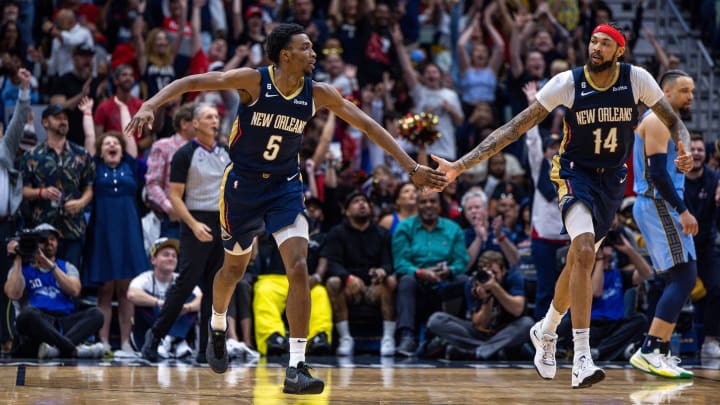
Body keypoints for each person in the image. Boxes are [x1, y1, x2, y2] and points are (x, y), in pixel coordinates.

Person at [125, 23, 446, 394]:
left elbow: (368, 125)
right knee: (232, 269)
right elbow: (192, 82)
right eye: (306, 47)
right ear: (285, 55)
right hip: (243, 186)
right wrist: (150, 103)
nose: (314, 53)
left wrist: (411, 167)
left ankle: (296, 366)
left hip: (284, 185)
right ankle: (216, 324)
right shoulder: (253, 80)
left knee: (298, 266)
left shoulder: (318, 93)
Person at [432, 23, 693, 388]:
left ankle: (548, 329)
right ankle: (582, 356)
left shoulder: (638, 79)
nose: (596, 47)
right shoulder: (567, 83)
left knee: (577, 260)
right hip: (573, 174)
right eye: (593, 41)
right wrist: (461, 165)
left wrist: (683, 147)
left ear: (620, 51)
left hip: (612, 182)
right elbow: (513, 129)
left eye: (605, 43)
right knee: (584, 250)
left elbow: (673, 120)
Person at [138, 103, 228, 364]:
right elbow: (174, 196)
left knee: (215, 288)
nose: (215, 120)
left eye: (216, 116)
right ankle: (154, 338)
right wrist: (192, 224)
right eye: (209, 116)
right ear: (195, 123)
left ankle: (205, 350)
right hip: (194, 220)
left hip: (221, 222)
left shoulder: (226, 153)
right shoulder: (184, 154)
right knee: (185, 284)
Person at [629, 70, 697, 379]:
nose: (690, 96)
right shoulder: (656, 120)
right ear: (665, 93)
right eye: (684, 91)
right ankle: (650, 349)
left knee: (680, 277)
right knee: (684, 276)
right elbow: (657, 173)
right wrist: (683, 210)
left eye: (692, 91)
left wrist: (686, 160)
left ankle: (663, 351)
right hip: (660, 204)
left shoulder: (672, 123)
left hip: (663, 204)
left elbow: (676, 163)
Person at [4, 224, 104, 359]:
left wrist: (50, 265)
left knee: (97, 314)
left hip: (63, 322)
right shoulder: (22, 268)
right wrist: (17, 259)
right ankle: (71, 348)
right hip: (38, 323)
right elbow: (12, 294)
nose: (49, 242)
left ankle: (56, 350)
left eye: (53, 239)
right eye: (43, 240)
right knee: (27, 314)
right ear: (35, 243)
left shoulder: (67, 267)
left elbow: (75, 290)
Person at [324, 192, 396, 356]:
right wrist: (347, 278)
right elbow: (332, 263)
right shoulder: (337, 233)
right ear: (347, 211)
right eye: (356, 202)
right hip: (350, 287)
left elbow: (389, 263)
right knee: (333, 282)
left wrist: (382, 271)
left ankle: (388, 338)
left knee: (390, 281)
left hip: (374, 286)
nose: (362, 204)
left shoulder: (382, 233)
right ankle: (345, 338)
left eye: (364, 201)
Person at [429, 250, 533, 361]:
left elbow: (517, 310)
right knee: (436, 320)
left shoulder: (513, 278)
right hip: (484, 335)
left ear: (504, 271)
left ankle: (476, 352)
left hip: (506, 332)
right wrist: (486, 300)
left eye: (494, 272)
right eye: (487, 274)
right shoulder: (473, 283)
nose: (491, 277)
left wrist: (495, 288)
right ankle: (490, 351)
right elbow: (480, 326)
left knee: (527, 323)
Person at [128, 238, 200, 359]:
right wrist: (159, 302)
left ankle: (172, 339)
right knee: (143, 298)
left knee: (190, 298)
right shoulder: (145, 278)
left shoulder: (181, 279)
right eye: (166, 255)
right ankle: (170, 341)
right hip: (148, 333)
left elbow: (201, 299)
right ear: (153, 260)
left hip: (175, 321)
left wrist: (188, 307)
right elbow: (132, 294)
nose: (171, 258)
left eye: (174, 256)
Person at [684, 135, 720, 359]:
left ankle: (710, 340)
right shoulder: (675, 179)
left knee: (717, 287)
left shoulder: (714, 179)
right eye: (692, 149)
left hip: (705, 244)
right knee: (666, 286)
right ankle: (659, 341)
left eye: (700, 150)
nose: (696, 153)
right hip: (681, 243)